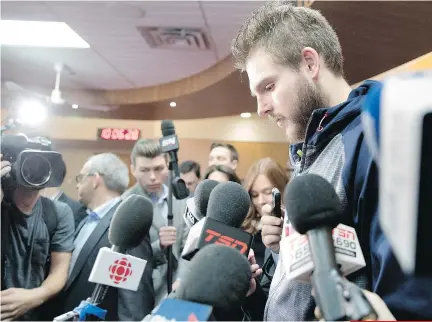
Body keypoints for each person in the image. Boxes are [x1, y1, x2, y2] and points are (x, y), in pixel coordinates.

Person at [232, 0, 432, 320]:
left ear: (310, 63)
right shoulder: (308, 156)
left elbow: (405, 303)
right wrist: (259, 294)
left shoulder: (373, 142)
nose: (261, 108)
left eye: (268, 87)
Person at [50, 153, 154, 321]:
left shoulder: (127, 224)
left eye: (81, 178)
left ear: (95, 179)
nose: (77, 185)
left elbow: (134, 300)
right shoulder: (85, 219)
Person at [0, 154, 74, 321]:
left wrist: (33, 297)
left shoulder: (58, 213)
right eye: (27, 164)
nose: (33, 171)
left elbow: (59, 269)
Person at [123, 139, 189, 305]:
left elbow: (190, 246)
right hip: (146, 292)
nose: (152, 177)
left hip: (182, 288)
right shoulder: (126, 203)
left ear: (167, 166)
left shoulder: (181, 198)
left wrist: (182, 278)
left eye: (158, 169)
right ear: (133, 170)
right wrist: (158, 245)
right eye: (144, 170)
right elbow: (125, 257)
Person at [242, 158, 289, 296]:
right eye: (255, 195)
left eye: (268, 192)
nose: (260, 201)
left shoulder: (295, 228)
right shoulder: (243, 231)